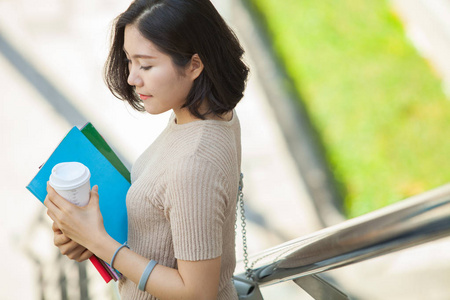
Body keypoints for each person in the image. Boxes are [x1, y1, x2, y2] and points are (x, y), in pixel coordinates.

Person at [44, 0, 249, 299]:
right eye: (129, 60)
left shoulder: (194, 161)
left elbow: (197, 292)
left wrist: (100, 242)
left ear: (194, 64)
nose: (131, 77)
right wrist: (86, 234)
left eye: (147, 65)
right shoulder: (206, 114)